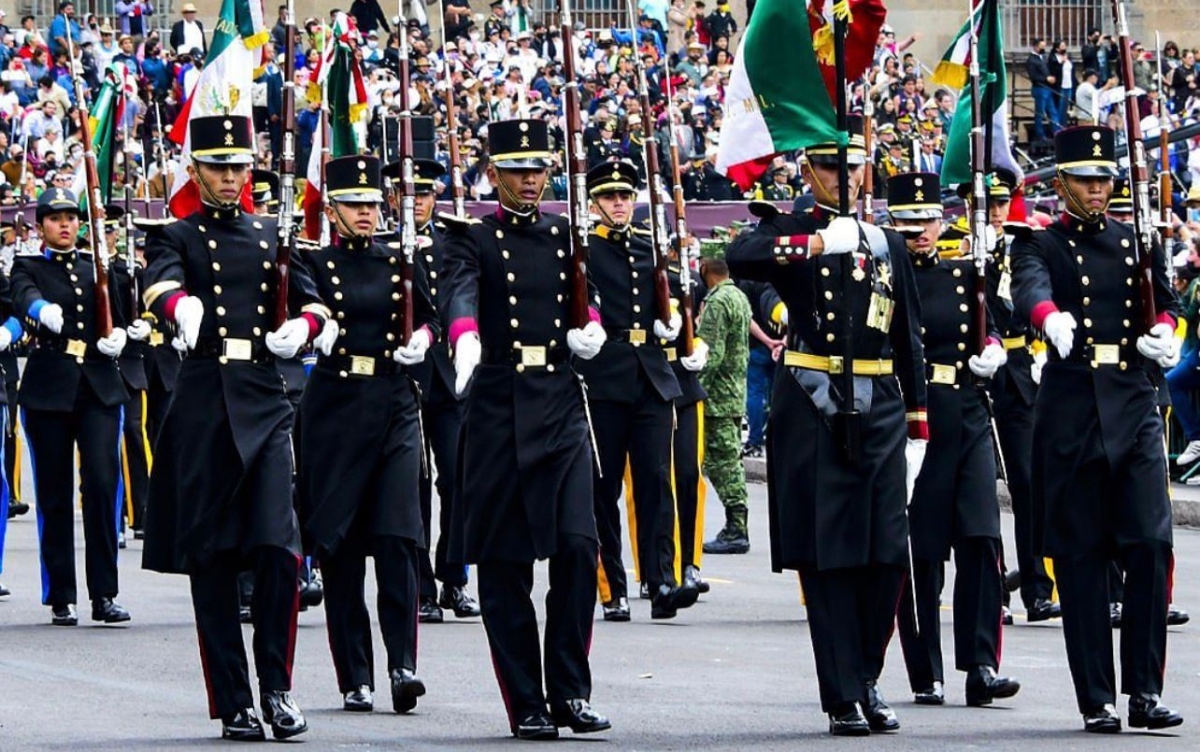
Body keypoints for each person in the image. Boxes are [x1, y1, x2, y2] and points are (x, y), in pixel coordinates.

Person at [725, 119, 928, 736]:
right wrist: (816, 246)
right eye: (833, 167)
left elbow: (908, 335)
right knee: (832, 555)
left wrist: (919, 425)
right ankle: (843, 692)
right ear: (809, 170)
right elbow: (740, 256)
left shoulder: (886, 241)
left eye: (855, 167)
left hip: (882, 402)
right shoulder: (791, 230)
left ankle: (867, 672)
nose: (846, 177)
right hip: (814, 402)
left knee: (889, 554)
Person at [141, 114, 330, 742]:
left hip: (264, 397)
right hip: (203, 403)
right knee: (215, 560)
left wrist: (304, 328)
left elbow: (313, 301)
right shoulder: (178, 234)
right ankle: (234, 699)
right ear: (196, 171)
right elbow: (157, 283)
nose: (229, 177)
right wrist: (178, 304)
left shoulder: (269, 234)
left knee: (279, 548)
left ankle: (276, 686)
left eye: (238, 167)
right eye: (217, 166)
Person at [440, 118, 611, 740]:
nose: (531, 178)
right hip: (498, 402)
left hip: (560, 399)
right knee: (505, 562)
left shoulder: (565, 234)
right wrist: (464, 337)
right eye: (518, 169)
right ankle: (526, 700)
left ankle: (568, 688)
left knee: (577, 546)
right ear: (493, 173)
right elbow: (457, 292)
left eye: (539, 168)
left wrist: (588, 322)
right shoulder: (471, 238)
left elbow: (581, 293)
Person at [1011, 125, 1183, 733]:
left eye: (1103, 179)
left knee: (1150, 544)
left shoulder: (1133, 238)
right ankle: (1097, 697)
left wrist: (1163, 328)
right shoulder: (1039, 243)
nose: (1096, 190)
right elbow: (1027, 287)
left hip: (1132, 400)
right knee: (1082, 558)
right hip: (1073, 406)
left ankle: (1144, 690)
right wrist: (1047, 317)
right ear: (1060, 183)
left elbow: (1164, 298)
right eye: (1084, 180)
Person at [299, 154, 437, 714]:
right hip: (335, 407)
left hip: (393, 402)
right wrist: (318, 327)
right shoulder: (314, 263)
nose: (365, 212)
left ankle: (403, 664)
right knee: (343, 549)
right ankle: (355, 674)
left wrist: (424, 340)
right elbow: (302, 307)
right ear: (332, 208)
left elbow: (430, 314)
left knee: (398, 539)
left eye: (372, 203)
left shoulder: (400, 259)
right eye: (354, 204)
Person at [887, 171, 1020, 709]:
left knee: (982, 540)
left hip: (966, 411)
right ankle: (927, 670)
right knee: (922, 552)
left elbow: (994, 321)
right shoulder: (883, 279)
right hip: (912, 419)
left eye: (929, 221)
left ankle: (982, 664)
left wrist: (992, 344)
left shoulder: (965, 273)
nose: (922, 233)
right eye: (910, 223)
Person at [575, 159, 700, 622]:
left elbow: (671, 306)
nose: (620, 204)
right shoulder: (584, 250)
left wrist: (676, 324)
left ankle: (660, 579)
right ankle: (612, 588)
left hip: (650, 375)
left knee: (655, 481)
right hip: (604, 376)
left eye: (625, 196)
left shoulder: (652, 249)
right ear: (594, 203)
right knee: (602, 489)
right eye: (610, 197)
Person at [12, 186, 131, 626]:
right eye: (56, 218)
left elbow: (118, 314)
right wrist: (40, 307)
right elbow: (22, 295)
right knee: (55, 492)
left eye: (71, 218)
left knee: (102, 484)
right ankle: (61, 592)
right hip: (50, 385)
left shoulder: (96, 268)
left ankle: (105, 593)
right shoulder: (28, 265)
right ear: (41, 225)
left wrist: (120, 336)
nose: (65, 225)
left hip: (98, 383)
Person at [383, 153, 481, 624]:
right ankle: (420, 582)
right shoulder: (381, 243)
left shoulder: (452, 240)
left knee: (460, 477)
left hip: (451, 376)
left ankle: (455, 576)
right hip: (406, 377)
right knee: (414, 483)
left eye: (421, 193)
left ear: (434, 195)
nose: (414, 201)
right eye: (405, 193)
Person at [981, 169, 1061, 623]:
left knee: (1029, 483)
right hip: (975, 374)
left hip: (1018, 371)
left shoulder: (1024, 243)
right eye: (989, 202)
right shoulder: (957, 244)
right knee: (981, 492)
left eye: (1001, 202)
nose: (995, 211)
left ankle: (1036, 585)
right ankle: (993, 590)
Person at [697, 240, 751, 555]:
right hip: (733, 391)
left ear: (705, 267)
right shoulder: (738, 295)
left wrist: (693, 388)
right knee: (729, 460)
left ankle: (736, 528)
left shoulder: (718, 301)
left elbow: (711, 354)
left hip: (717, 395)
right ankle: (736, 526)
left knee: (723, 464)